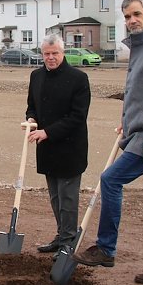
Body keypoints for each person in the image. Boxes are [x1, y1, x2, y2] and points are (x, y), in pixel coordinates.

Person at [73, 0, 143, 285]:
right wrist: (127, 122)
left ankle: (106, 249)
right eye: (126, 16)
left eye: (136, 14)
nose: (131, 20)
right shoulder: (141, 47)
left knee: (111, 179)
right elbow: (141, 95)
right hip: (141, 133)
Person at [25, 34, 91, 256]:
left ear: (63, 53)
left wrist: (47, 132)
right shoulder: (36, 76)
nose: (50, 58)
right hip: (46, 147)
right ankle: (61, 235)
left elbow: (77, 117)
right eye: (46, 54)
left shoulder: (79, 79)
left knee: (68, 197)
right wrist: (32, 120)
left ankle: (68, 241)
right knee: (54, 196)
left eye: (55, 53)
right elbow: (31, 106)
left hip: (70, 148)